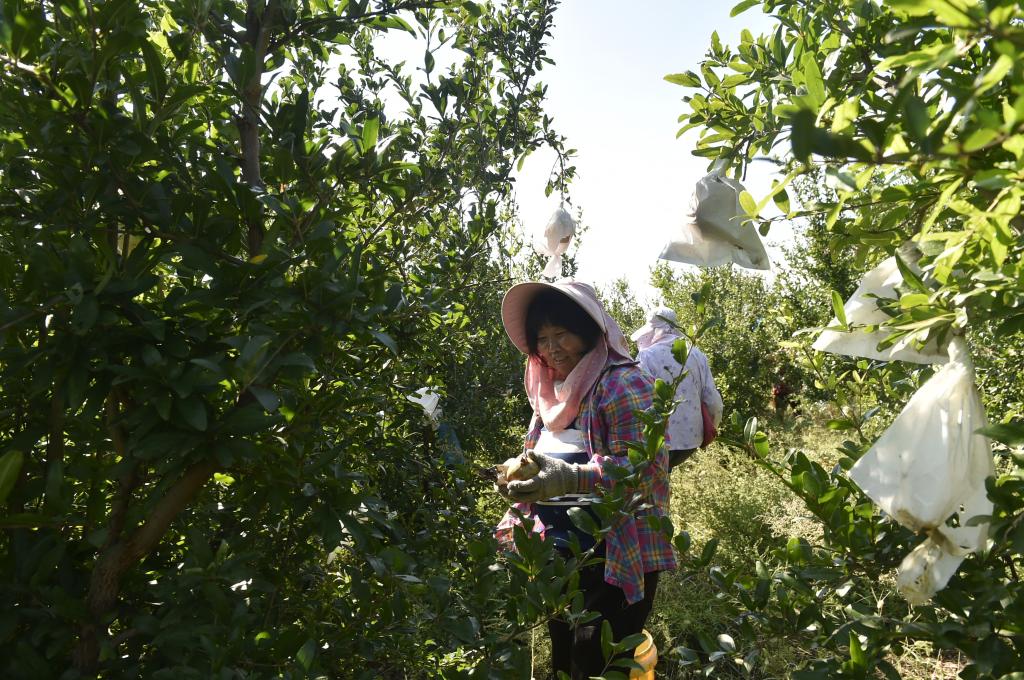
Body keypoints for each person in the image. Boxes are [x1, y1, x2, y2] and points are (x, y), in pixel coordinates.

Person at [494, 280, 675, 680]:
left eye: (562, 334)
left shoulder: (622, 383)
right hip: (559, 555)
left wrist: (568, 478)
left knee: (595, 661)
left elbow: (640, 468)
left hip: (611, 552)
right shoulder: (550, 392)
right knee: (564, 658)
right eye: (542, 338)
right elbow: (542, 454)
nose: (551, 348)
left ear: (589, 333)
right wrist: (518, 480)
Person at [631, 307, 723, 468]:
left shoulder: (647, 356)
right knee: (664, 477)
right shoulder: (695, 354)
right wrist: (711, 427)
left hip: (660, 440)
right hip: (691, 439)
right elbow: (712, 399)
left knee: (655, 479)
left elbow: (640, 400)